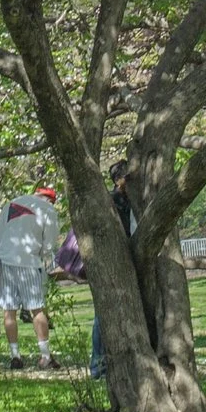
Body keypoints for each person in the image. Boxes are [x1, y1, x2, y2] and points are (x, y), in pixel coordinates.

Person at [0, 185, 60, 371]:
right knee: (36, 309)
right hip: (29, 261)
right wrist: (43, 254)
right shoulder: (48, 209)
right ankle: (45, 356)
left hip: (5, 259)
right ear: (50, 199)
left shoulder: (11, 203)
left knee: (9, 310)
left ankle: (15, 356)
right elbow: (50, 242)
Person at [89, 161, 135, 381]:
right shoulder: (113, 200)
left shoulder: (132, 199)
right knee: (103, 312)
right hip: (112, 262)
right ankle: (98, 363)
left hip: (126, 260)